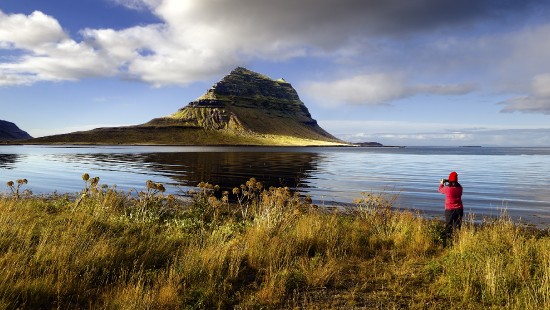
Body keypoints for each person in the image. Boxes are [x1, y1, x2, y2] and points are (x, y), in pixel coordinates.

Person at [438, 171, 463, 245]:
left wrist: (442, 183)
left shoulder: (448, 189)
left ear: (450, 180)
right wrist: (451, 181)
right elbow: (456, 185)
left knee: (448, 227)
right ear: (456, 180)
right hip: (459, 210)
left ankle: (447, 244)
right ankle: (457, 243)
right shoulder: (460, 188)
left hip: (450, 210)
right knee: (457, 227)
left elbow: (440, 190)